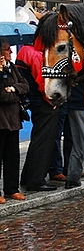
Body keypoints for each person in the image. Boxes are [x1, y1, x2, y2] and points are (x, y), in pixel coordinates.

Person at [16, 13, 62, 191]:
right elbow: (43, 82)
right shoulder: (37, 55)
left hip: (33, 101)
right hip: (43, 103)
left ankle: (28, 178)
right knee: (43, 142)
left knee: (38, 140)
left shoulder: (25, 51)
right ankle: (36, 180)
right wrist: (52, 101)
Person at [0, 38, 30, 203]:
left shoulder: (11, 68)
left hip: (13, 119)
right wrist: (13, 93)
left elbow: (25, 86)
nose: (11, 52)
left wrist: (13, 89)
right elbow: (2, 96)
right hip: (1, 120)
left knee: (12, 157)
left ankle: (12, 189)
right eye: (7, 50)